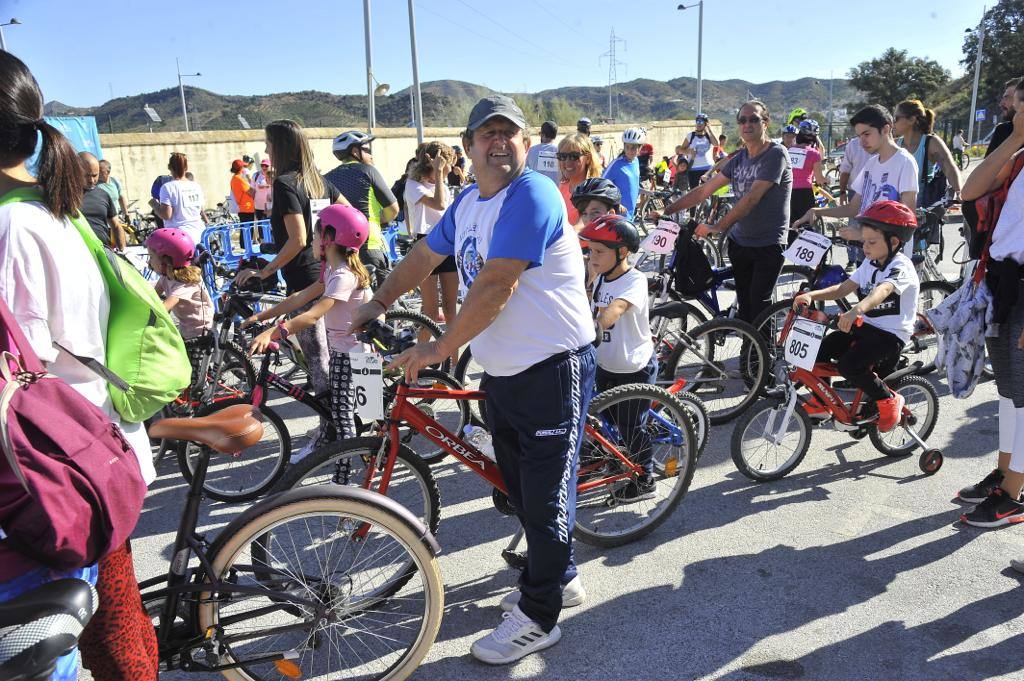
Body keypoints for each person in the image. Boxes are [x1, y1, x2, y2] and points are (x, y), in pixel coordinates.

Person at [350, 94, 595, 664]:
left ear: (527, 144)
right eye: (487, 134)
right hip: (504, 370)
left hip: (552, 369)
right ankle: (564, 573)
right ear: (467, 147)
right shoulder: (466, 202)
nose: (499, 143)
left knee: (544, 495)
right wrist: (378, 300)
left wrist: (441, 345)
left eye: (510, 133)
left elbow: (496, 284)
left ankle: (539, 616)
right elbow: (423, 256)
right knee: (520, 489)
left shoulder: (530, 194)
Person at [0, 50, 158, 681]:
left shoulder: (12, 226)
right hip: (89, 451)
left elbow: (19, 366)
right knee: (116, 623)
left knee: (98, 637)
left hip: (55, 469)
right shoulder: (51, 212)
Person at [236, 119, 348, 459]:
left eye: (269, 145)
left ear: (281, 148)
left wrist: (265, 270)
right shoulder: (319, 183)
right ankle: (349, 424)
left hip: (305, 277)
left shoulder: (285, 184)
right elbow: (348, 212)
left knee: (319, 362)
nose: (266, 151)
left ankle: (333, 433)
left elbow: (298, 239)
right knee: (337, 354)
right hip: (326, 270)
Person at [245, 205, 374, 450]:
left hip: (353, 354)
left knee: (344, 418)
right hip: (345, 351)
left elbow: (313, 315)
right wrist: (261, 316)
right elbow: (299, 298)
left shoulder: (343, 276)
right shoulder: (332, 270)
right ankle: (359, 454)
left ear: (328, 238)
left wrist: (272, 333)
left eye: (315, 236)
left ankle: (342, 476)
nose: (312, 241)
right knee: (351, 412)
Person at [653, 100, 792, 323]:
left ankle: (759, 356)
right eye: (742, 120)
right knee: (746, 305)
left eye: (754, 119)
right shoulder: (739, 159)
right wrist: (667, 211)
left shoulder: (776, 154)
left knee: (759, 305)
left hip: (768, 243)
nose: (747, 124)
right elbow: (704, 190)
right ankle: (751, 350)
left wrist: (718, 226)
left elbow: (752, 198)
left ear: (765, 122)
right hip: (740, 241)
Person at [791, 200, 920, 432]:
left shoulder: (901, 267)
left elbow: (883, 291)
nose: (865, 247)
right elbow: (842, 288)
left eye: (871, 242)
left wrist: (856, 310)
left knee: (849, 366)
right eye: (864, 241)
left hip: (890, 335)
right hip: (867, 327)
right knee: (820, 351)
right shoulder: (870, 263)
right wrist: (811, 295)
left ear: (893, 242)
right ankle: (822, 403)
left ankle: (888, 399)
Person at [958, 86, 1024, 529]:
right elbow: (971, 190)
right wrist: (1015, 138)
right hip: (1005, 282)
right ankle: (1004, 473)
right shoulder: (1018, 154)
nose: (1015, 111)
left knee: (1023, 398)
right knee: (1007, 392)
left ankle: (1014, 494)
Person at [580, 214, 658, 498]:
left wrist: (599, 324)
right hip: (606, 363)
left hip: (633, 366)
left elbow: (617, 308)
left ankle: (645, 479)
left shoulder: (634, 280)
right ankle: (617, 457)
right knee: (603, 417)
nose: (592, 256)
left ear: (622, 252)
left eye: (599, 252)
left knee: (630, 425)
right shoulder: (600, 277)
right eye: (589, 251)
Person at [792, 105, 918, 255]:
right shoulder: (871, 164)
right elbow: (853, 208)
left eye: (866, 134)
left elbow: (906, 219)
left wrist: (862, 235)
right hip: (870, 253)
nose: (861, 142)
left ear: (885, 129)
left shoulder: (904, 162)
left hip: (893, 258)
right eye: (859, 136)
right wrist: (816, 211)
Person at [324, 130, 399, 284]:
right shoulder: (368, 171)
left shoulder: (327, 178)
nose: (371, 155)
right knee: (381, 303)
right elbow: (393, 209)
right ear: (354, 151)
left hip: (339, 251)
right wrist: (379, 219)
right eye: (367, 150)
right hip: (369, 245)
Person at [147, 228, 214, 394]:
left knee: (194, 378)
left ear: (165, 261)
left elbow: (164, 307)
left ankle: (204, 402)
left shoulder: (185, 284)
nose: (149, 262)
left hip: (201, 332)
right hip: (186, 328)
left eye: (151, 257)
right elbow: (152, 297)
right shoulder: (166, 277)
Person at [404, 141, 459, 341]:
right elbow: (439, 204)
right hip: (425, 242)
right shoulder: (413, 185)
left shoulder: (441, 185)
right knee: (430, 311)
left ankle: (454, 363)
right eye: (449, 164)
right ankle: (420, 363)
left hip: (447, 242)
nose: (451, 169)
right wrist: (438, 174)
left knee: (450, 308)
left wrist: (440, 179)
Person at [893, 99, 961, 204]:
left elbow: (949, 169)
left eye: (896, 118)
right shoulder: (895, 144)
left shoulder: (930, 143)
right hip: (894, 211)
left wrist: (959, 192)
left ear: (912, 120)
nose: (893, 122)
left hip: (921, 214)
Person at [151, 151, 207, 246]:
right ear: (186, 168)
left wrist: (154, 205)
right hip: (200, 234)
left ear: (169, 167)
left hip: (180, 238)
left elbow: (166, 215)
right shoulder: (196, 186)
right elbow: (200, 210)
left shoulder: (167, 187)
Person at [787, 120, 827, 245]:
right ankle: (818, 261)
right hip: (804, 193)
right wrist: (826, 181)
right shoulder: (814, 154)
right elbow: (819, 179)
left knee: (790, 226)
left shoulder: (788, 151)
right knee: (807, 228)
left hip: (787, 192)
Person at [79, 152, 126, 250]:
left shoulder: (103, 194)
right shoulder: (64, 196)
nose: (91, 180)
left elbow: (116, 226)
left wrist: (123, 251)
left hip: (103, 253)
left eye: (95, 175)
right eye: (87, 176)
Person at [556, 132, 601, 227]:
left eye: (574, 156)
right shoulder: (563, 187)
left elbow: (583, 224)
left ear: (588, 158)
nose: (567, 162)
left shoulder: (594, 190)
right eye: (562, 156)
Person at [603, 127, 646, 219]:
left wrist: (648, 192)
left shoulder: (636, 162)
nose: (630, 151)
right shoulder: (616, 164)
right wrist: (614, 204)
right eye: (627, 147)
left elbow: (632, 186)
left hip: (630, 215)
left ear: (640, 147)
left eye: (633, 148)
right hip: (617, 216)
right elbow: (601, 187)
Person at [680, 113, 716, 190]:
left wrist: (709, 130)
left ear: (706, 123)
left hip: (707, 168)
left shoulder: (708, 136)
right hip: (693, 168)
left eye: (701, 122)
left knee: (708, 192)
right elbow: (681, 150)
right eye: (697, 121)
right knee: (694, 193)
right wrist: (689, 151)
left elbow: (716, 144)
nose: (699, 124)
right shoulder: (691, 136)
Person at [526, 120, 560, 184]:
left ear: (542, 134)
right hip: (555, 191)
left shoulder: (531, 150)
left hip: (535, 189)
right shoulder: (560, 152)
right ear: (555, 136)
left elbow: (524, 172)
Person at [230, 158, 256, 225]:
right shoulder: (239, 179)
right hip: (247, 209)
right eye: (243, 167)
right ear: (241, 168)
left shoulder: (234, 178)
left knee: (245, 232)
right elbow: (251, 192)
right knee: (247, 232)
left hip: (243, 208)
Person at [253, 157, 273, 221]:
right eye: (262, 165)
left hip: (270, 206)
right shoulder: (255, 175)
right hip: (258, 206)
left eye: (266, 166)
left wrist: (266, 185)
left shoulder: (273, 175)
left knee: (271, 226)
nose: (264, 167)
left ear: (270, 166)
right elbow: (252, 190)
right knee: (261, 227)